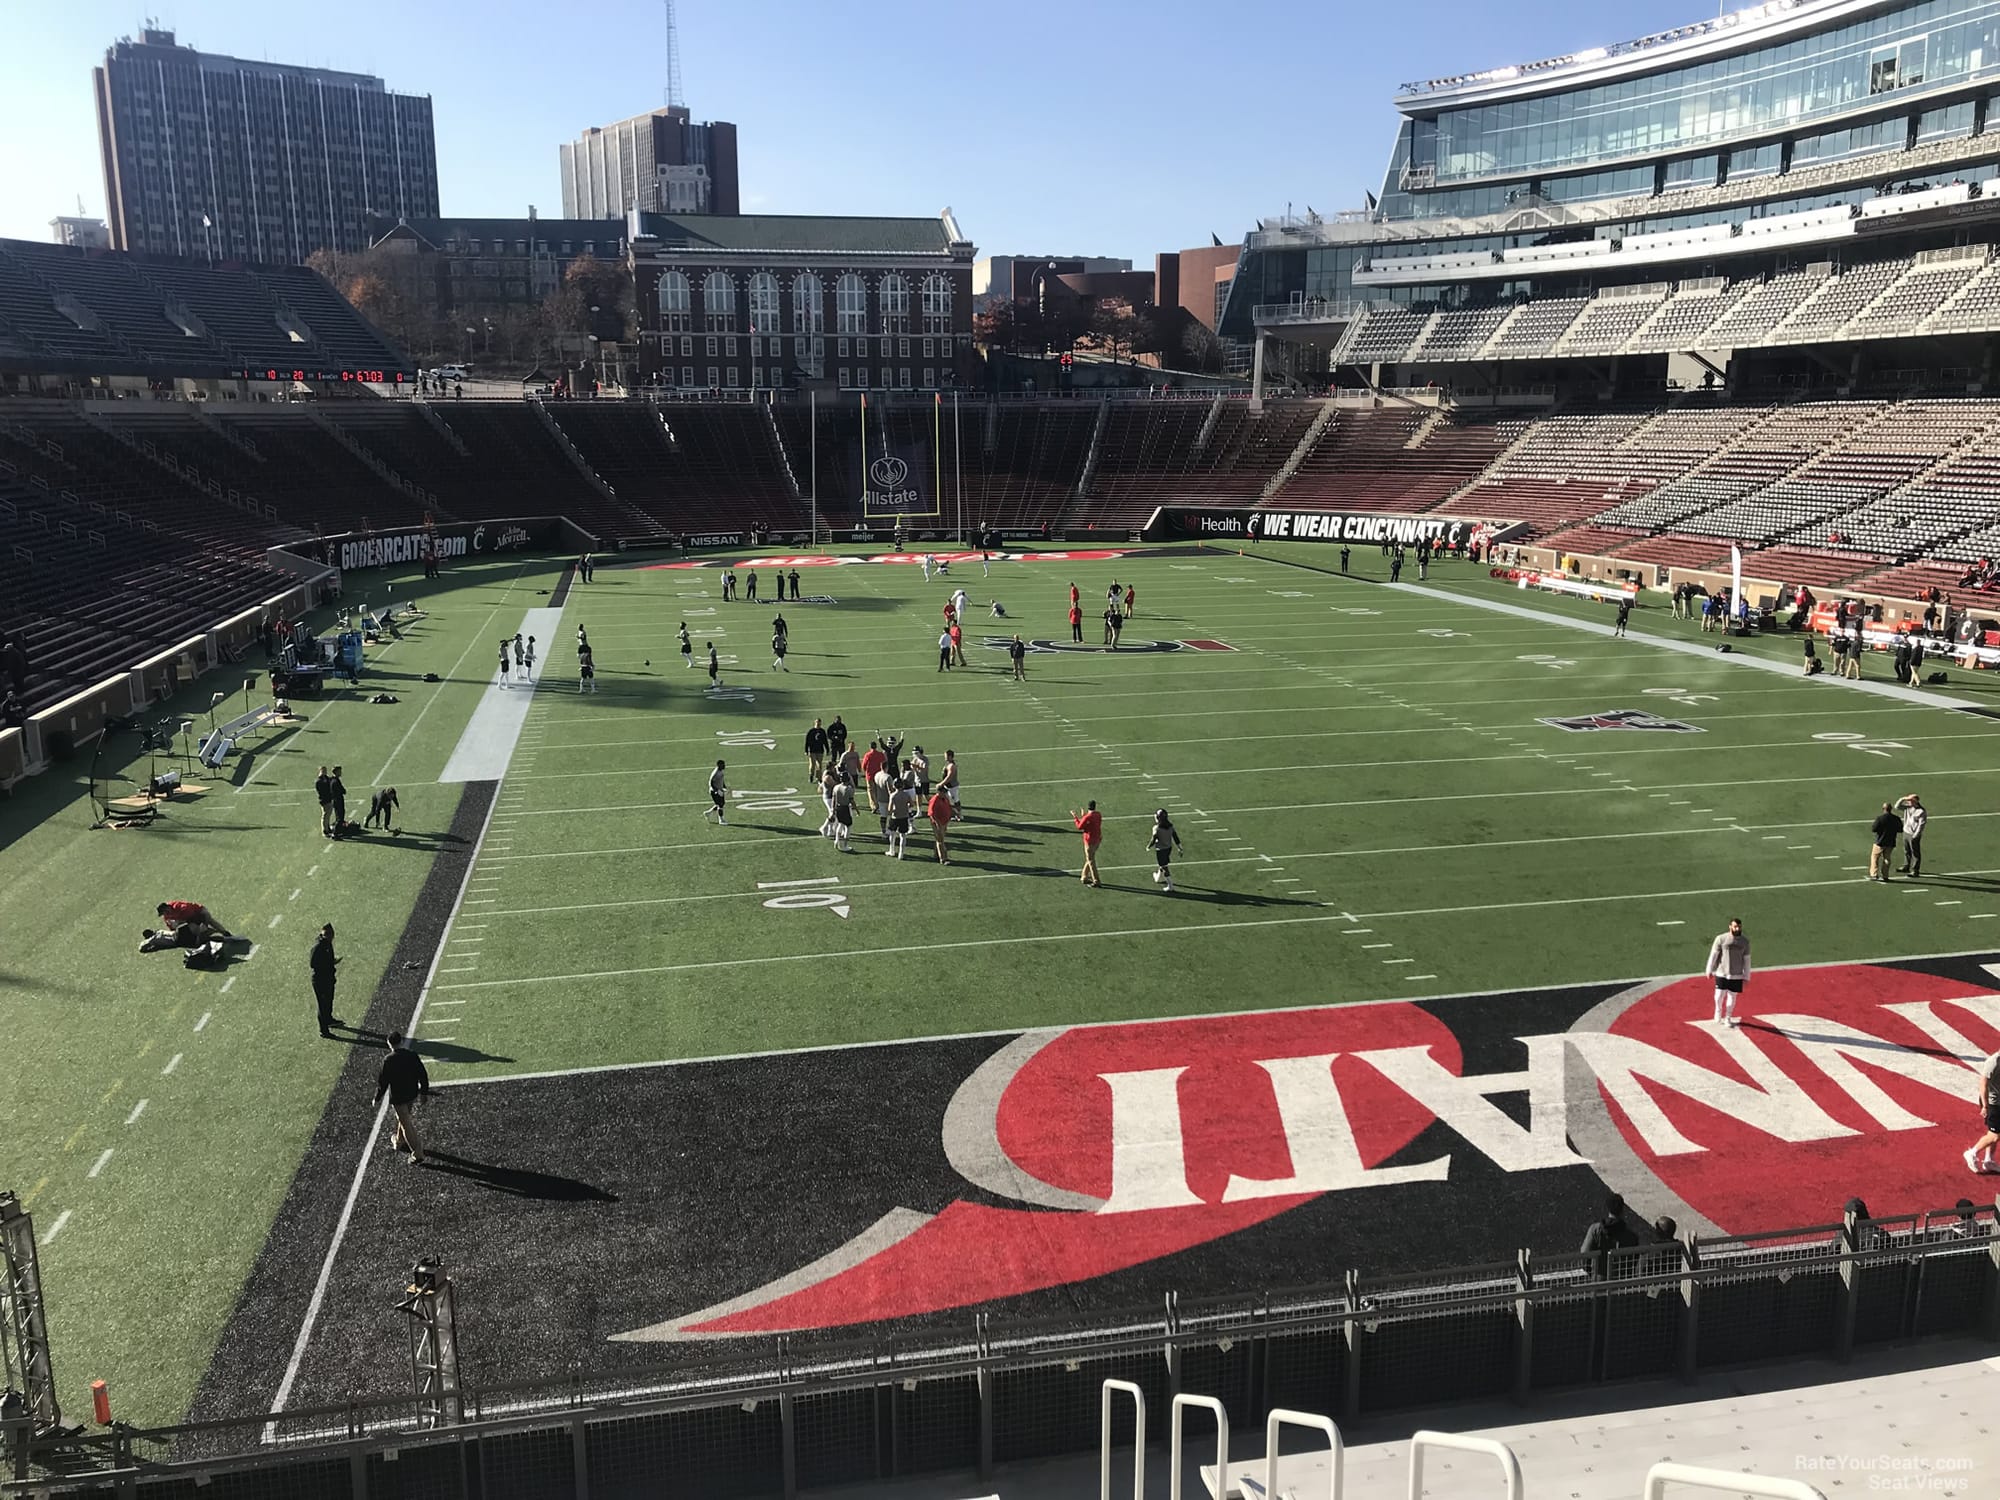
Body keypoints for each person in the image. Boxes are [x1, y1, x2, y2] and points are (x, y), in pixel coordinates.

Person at [373, 1030, 431, 1166]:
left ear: (389, 1044)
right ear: (402, 1041)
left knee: (405, 1123)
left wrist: (377, 1097)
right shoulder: (412, 1055)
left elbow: (383, 1082)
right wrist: (424, 1092)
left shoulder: (388, 1060)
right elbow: (423, 1074)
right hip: (411, 1093)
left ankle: (417, 1153)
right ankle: (399, 1140)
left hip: (398, 1096)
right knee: (404, 1118)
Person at [1704, 917, 1750, 1028]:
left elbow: (1747, 959)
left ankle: (1728, 1017)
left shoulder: (1745, 941)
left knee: (1732, 997)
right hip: (1721, 972)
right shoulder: (1721, 938)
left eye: (1739, 926)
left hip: (1737, 974)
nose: (1737, 928)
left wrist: (1747, 976)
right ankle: (1718, 1011)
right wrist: (1709, 969)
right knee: (1718, 996)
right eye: (1735, 926)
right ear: (1730, 926)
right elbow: (1713, 954)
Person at [1967, 1048, 2000, 1173]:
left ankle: (1988, 1161)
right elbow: (1983, 1084)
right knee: (1995, 1135)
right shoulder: (1993, 1062)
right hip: (1993, 1104)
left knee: (1995, 1133)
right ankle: (1972, 1153)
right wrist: (1985, 1105)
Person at [310, 922, 340, 1037]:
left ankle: (329, 1020)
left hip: (328, 978)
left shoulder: (327, 943)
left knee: (329, 1000)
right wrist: (329, 963)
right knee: (322, 1005)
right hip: (320, 980)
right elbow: (313, 964)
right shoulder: (318, 947)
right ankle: (324, 1031)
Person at [1148, 809, 1182, 892]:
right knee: (1163, 863)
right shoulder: (1171, 826)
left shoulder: (1156, 828)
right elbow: (1175, 837)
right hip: (1168, 848)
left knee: (1164, 867)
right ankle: (1158, 877)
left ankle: (1170, 885)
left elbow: (1154, 838)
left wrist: (1148, 846)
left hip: (1160, 850)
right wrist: (1179, 847)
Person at [1071, 801, 1104, 887]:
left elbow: (1079, 826)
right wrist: (1084, 816)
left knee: (1091, 860)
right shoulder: (1098, 814)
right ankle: (1084, 877)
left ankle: (1096, 881)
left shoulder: (1087, 817)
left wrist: (1075, 817)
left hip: (1089, 841)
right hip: (1097, 839)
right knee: (1090, 858)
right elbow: (1090, 824)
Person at [158, 899, 232, 936]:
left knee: (210, 921)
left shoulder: (180, 906)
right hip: (189, 919)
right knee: (199, 931)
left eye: (164, 912)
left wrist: (203, 923)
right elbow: (170, 925)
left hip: (200, 912)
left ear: (167, 908)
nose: (164, 914)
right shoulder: (166, 915)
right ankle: (216, 933)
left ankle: (225, 932)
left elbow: (194, 915)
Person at [1896, 793, 1927, 876]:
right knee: (1906, 850)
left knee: (1915, 852)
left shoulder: (1921, 811)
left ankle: (1915, 870)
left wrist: (1915, 835)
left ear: (1915, 801)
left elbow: (1921, 825)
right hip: (1906, 832)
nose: (1908, 802)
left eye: (1910, 800)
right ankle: (1906, 866)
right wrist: (1903, 798)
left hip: (1913, 834)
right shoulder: (1908, 807)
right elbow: (1897, 806)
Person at [1869, 801, 1901, 881]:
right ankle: (1885, 875)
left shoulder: (1880, 818)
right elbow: (1900, 829)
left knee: (1875, 857)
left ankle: (1874, 874)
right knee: (1887, 859)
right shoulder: (1896, 818)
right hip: (1891, 841)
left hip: (1880, 841)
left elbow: (1874, 829)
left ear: (1883, 809)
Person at [885, 778, 916, 859]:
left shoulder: (893, 795)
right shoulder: (906, 795)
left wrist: (896, 809)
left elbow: (890, 809)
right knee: (903, 835)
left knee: (892, 834)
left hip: (895, 817)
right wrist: (905, 807)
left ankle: (891, 850)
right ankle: (901, 854)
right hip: (904, 817)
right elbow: (912, 804)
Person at [927, 786, 954, 864]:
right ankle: (943, 858)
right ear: (939, 792)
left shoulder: (944, 798)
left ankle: (936, 855)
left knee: (939, 839)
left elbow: (948, 807)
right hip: (938, 823)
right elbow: (931, 814)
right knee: (940, 841)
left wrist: (954, 813)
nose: (945, 793)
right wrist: (938, 824)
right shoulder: (934, 800)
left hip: (944, 822)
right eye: (943, 792)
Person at [315, 766, 336, 837]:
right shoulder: (319, 781)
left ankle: (327, 828)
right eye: (323, 770)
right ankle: (324, 830)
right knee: (325, 815)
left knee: (328, 814)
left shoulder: (326, 778)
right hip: (324, 800)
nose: (325, 772)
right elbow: (321, 790)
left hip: (329, 799)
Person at [706, 760, 728, 825]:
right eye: (723, 765)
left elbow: (721, 779)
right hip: (714, 791)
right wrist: (716, 791)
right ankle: (721, 820)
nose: (724, 766)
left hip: (720, 790)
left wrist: (724, 786)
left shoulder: (720, 771)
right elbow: (711, 782)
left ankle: (708, 813)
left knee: (722, 803)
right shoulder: (715, 773)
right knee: (720, 805)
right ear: (719, 765)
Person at [940, 748, 961, 813]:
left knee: (955, 801)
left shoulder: (951, 766)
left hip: (952, 786)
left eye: (946, 756)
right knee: (948, 801)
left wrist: (941, 784)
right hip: (948, 786)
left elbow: (949, 777)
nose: (945, 757)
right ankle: (954, 813)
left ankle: (959, 814)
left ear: (950, 756)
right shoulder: (948, 764)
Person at [329, 767, 348, 834]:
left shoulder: (332, 780)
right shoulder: (335, 781)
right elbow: (341, 790)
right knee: (340, 818)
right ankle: (335, 833)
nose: (341, 773)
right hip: (338, 801)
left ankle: (339, 830)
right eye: (339, 771)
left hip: (336, 800)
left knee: (339, 817)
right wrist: (343, 790)